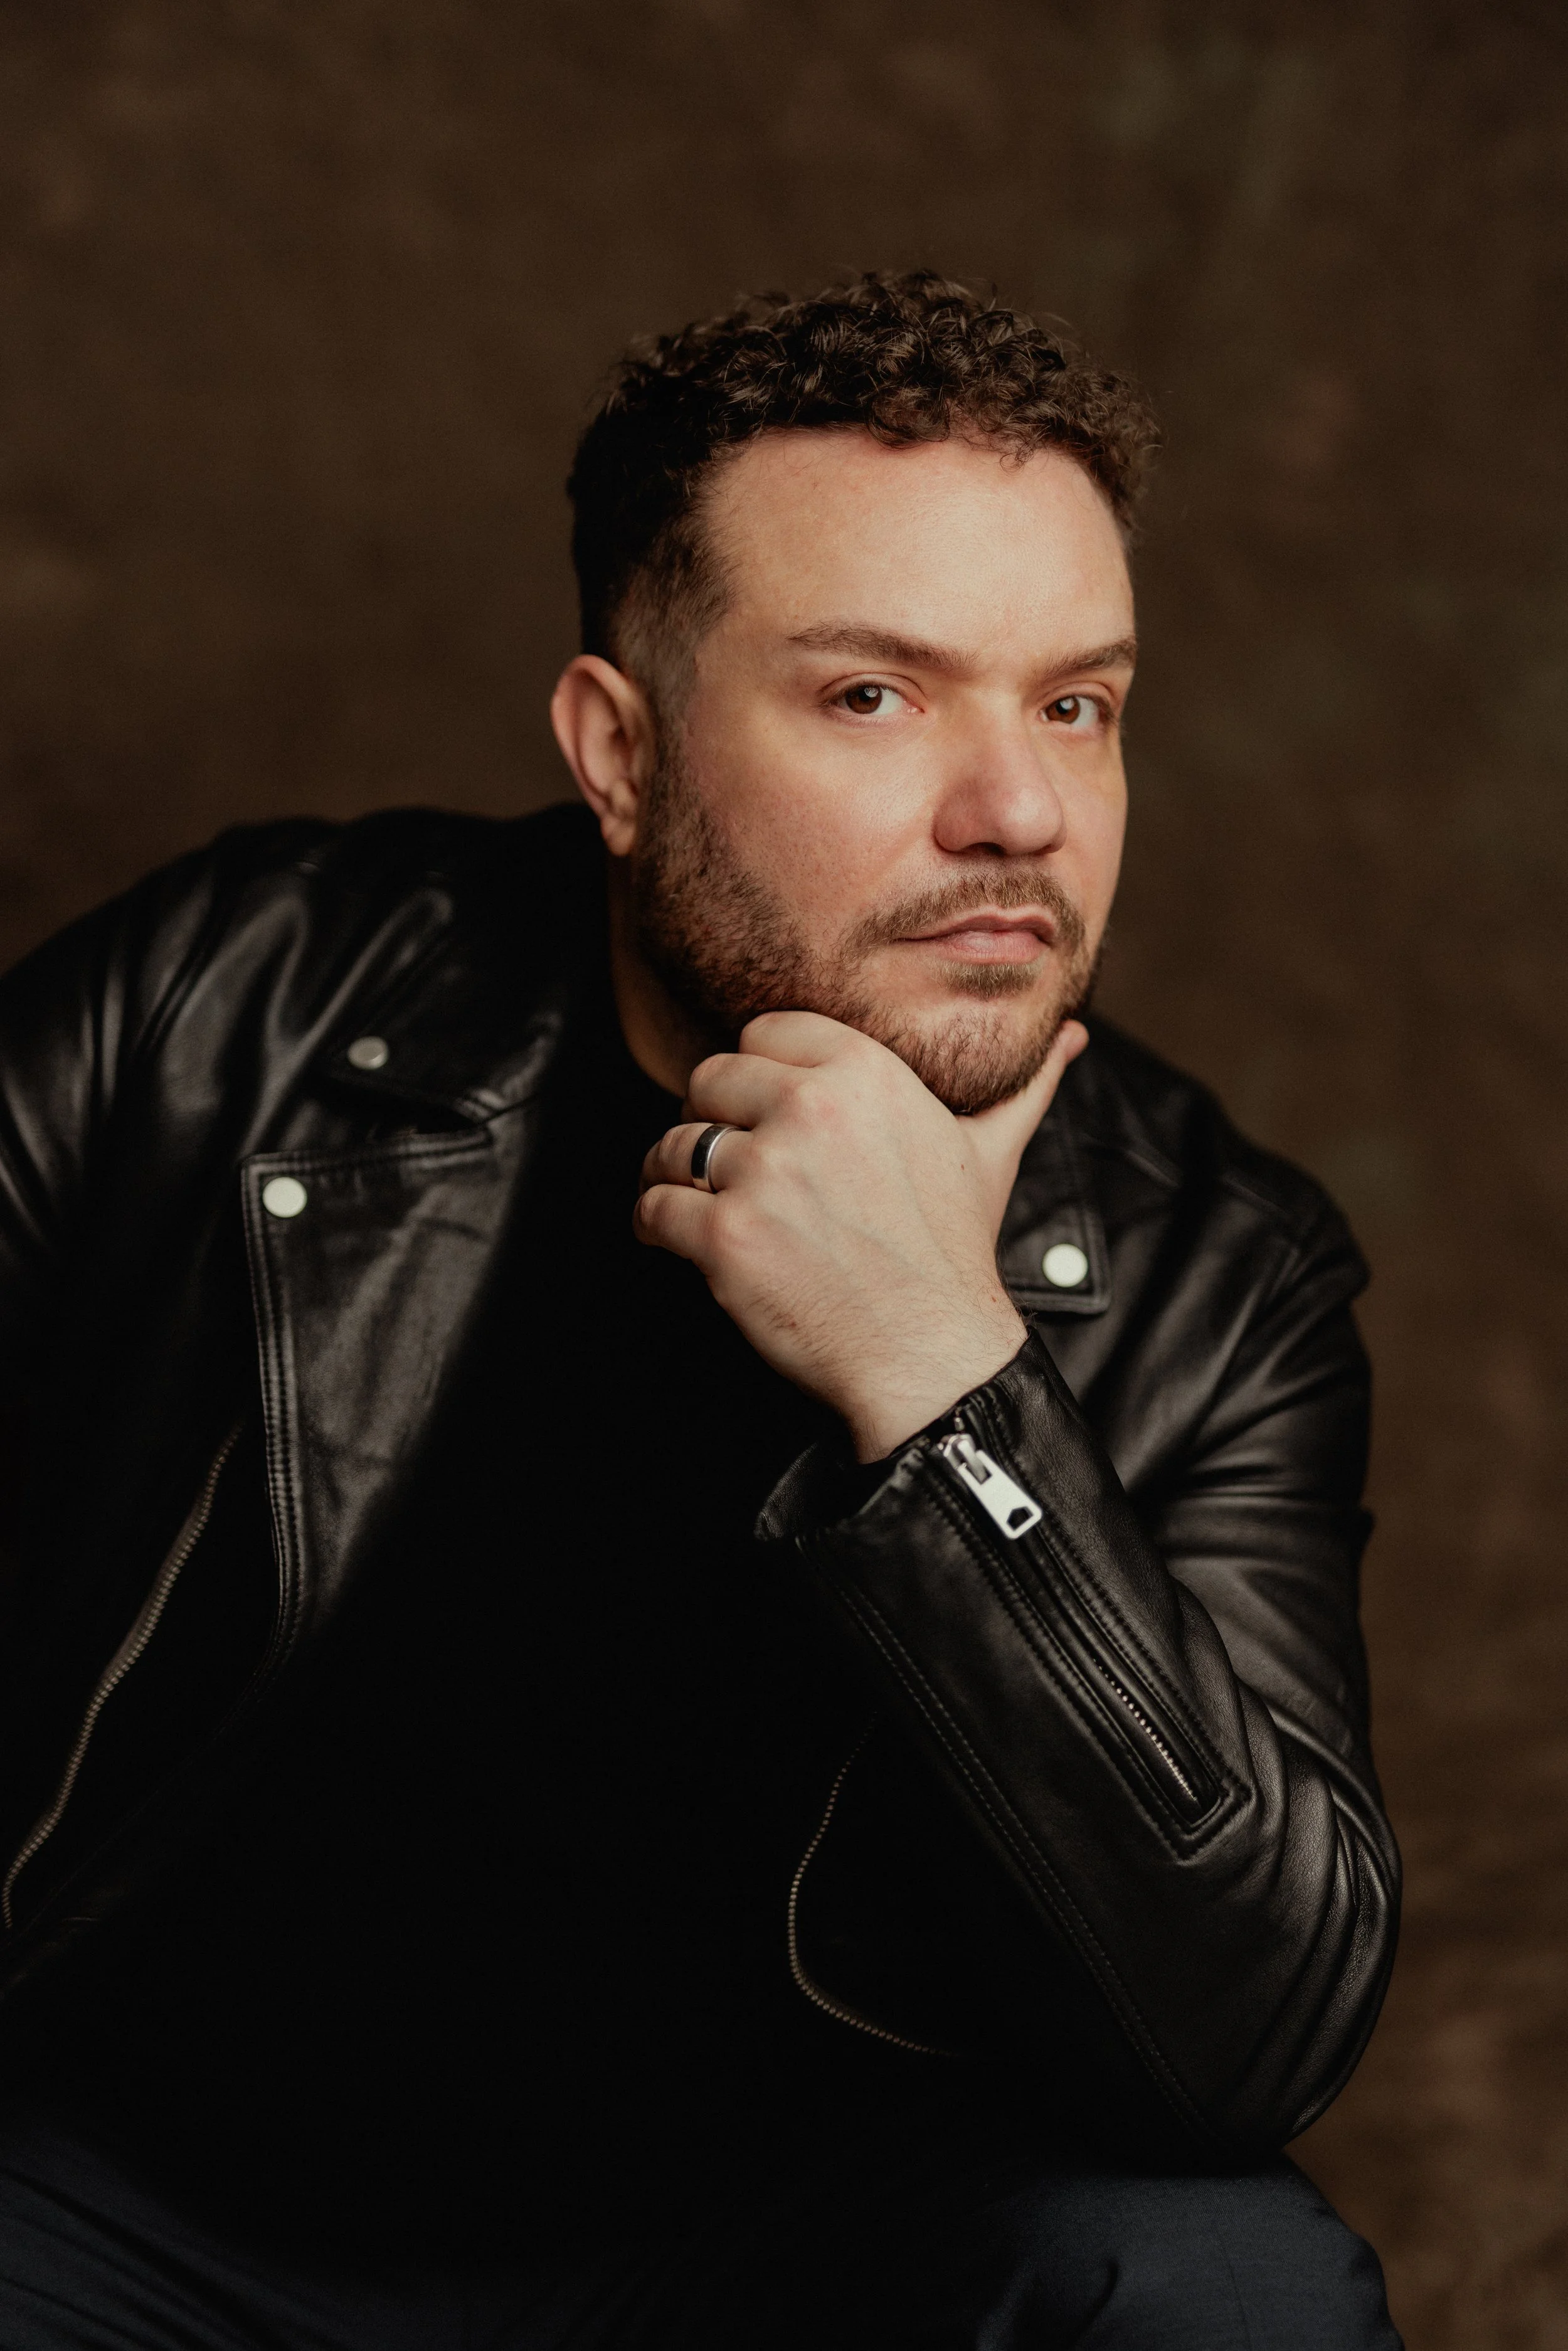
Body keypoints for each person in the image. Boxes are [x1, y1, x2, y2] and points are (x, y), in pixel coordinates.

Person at [0, 273, 1401, 2347]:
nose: (1016, 809)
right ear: (619, 750)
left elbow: (1247, 2032)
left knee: (1224, 2290)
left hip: (791, 2259)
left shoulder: (1217, 1270)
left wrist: (944, 1380)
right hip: (141, 2207)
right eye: (875, 695)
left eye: (1075, 703)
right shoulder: (246, 1004)